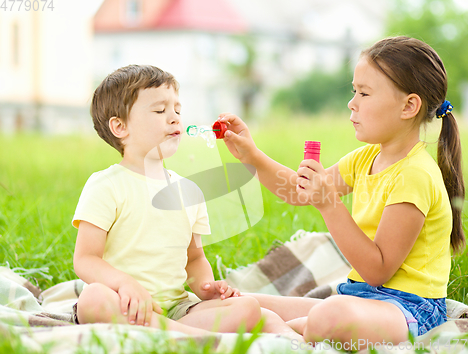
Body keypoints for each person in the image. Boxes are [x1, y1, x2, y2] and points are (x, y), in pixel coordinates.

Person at [217, 36, 465, 349]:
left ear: (409, 106)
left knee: (330, 314)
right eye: (353, 91)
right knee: (244, 301)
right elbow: (298, 191)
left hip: (409, 311)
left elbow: (377, 270)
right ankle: (289, 329)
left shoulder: (415, 175)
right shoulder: (366, 158)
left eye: (364, 93)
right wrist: (251, 155)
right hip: (359, 298)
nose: (352, 103)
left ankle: (290, 332)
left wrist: (330, 206)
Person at [72, 64, 301, 340]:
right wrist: (125, 284)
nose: (174, 119)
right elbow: (85, 259)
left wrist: (206, 287)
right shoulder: (106, 185)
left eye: (177, 110)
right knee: (93, 299)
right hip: (125, 304)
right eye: (160, 111)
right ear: (120, 126)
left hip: (181, 309)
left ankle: (173, 334)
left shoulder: (189, 191)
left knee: (249, 307)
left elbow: (194, 257)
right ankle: (190, 338)